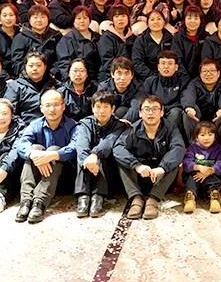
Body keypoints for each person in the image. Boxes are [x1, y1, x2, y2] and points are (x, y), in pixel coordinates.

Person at [113, 94, 185, 220]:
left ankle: (153, 200)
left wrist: (162, 168)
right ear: (140, 113)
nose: (150, 113)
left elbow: (178, 148)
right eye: (146, 109)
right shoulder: (133, 129)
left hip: (160, 179)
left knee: (172, 158)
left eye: (155, 109)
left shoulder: (170, 128)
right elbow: (118, 148)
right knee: (123, 159)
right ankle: (136, 199)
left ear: (162, 112)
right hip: (139, 177)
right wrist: (137, 165)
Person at [14, 88, 79, 223]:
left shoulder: (73, 126)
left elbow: (74, 148)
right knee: (34, 149)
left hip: (63, 177)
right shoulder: (35, 125)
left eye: (56, 105)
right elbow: (21, 145)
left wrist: (53, 155)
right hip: (39, 177)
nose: (52, 109)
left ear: (63, 106)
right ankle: (26, 201)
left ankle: (40, 203)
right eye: (47, 105)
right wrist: (35, 155)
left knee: (54, 150)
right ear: (41, 108)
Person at [74, 90, 127, 218]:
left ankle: (98, 198)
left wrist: (95, 154)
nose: (101, 111)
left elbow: (109, 142)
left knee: (104, 155)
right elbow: (81, 145)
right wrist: (88, 161)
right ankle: (83, 197)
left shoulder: (119, 126)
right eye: (98, 107)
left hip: (108, 170)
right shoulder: (86, 123)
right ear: (92, 108)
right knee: (83, 157)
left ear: (113, 108)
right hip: (89, 168)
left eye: (106, 107)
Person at [182, 121, 221, 214]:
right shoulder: (192, 148)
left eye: (210, 135)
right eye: (202, 135)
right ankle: (190, 197)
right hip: (196, 175)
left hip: (212, 175)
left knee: (214, 178)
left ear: (215, 136)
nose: (206, 138)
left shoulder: (218, 149)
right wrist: (199, 167)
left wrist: (210, 170)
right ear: (196, 137)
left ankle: (215, 197)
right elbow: (186, 163)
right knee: (191, 177)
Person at [183, 58, 221, 138]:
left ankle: (218, 142)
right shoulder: (194, 84)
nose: (208, 74)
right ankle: (194, 142)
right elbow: (188, 96)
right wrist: (188, 107)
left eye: (212, 71)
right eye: (204, 71)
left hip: (216, 118)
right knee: (189, 111)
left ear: (218, 73)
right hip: (199, 117)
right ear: (200, 73)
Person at [4, 50, 57, 124]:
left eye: (38, 65)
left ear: (45, 66)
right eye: (31, 66)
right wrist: (24, 127)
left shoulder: (56, 85)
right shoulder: (14, 86)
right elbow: (10, 112)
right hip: (25, 126)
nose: (34, 68)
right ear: (25, 66)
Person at [9, 6, 61, 78]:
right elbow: (17, 62)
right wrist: (31, 74)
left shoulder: (56, 36)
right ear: (29, 19)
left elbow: (60, 59)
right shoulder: (20, 37)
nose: (39, 20)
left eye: (42, 17)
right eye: (35, 17)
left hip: (51, 77)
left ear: (48, 19)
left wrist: (53, 72)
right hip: (27, 77)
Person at [54, 6, 100, 80]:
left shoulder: (97, 37)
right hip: (76, 79)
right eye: (78, 18)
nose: (82, 21)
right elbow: (65, 64)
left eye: (85, 18)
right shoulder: (67, 39)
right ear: (73, 21)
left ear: (90, 21)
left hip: (97, 79)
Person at [131, 9, 174, 81]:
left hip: (169, 77)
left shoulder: (171, 39)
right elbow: (137, 62)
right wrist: (152, 76)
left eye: (159, 19)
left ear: (164, 22)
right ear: (147, 23)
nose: (156, 22)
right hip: (147, 79)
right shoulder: (141, 40)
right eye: (152, 19)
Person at [97, 5, 136, 81]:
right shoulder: (106, 38)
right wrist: (119, 76)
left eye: (123, 16)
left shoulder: (133, 38)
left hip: (130, 76)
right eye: (116, 16)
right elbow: (107, 61)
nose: (120, 19)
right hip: (110, 77)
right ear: (112, 19)